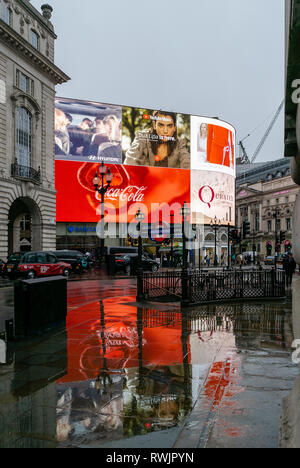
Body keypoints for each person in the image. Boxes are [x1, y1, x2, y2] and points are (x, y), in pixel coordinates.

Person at [124, 110, 190, 169]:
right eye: (161, 125)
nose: (165, 131)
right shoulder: (142, 137)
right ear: (154, 125)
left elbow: (187, 164)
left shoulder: (180, 143)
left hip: (170, 182)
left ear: (174, 127)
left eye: (169, 126)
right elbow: (130, 161)